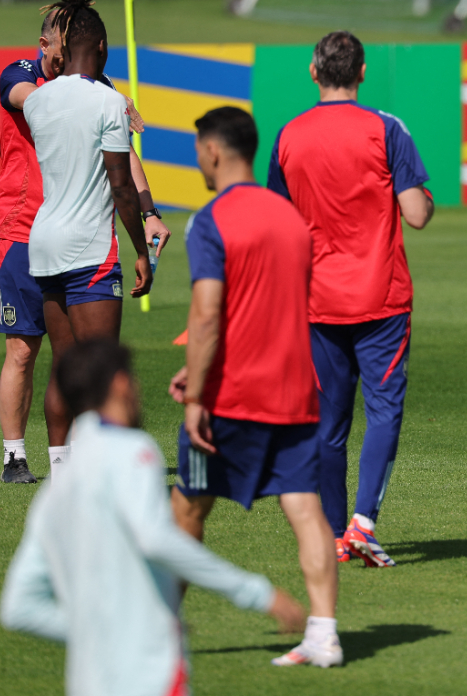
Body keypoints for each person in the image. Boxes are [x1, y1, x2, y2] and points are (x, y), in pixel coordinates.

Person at [0, 338, 305, 696]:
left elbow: (18, 607)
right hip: (152, 677)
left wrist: (100, 630)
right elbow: (156, 537)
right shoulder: (133, 450)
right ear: (120, 383)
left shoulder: (55, 488)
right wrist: (257, 594)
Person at [167, 106, 342, 668]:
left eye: (199, 150)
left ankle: (161, 628)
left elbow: (210, 314)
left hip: (231, 397)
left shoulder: (210, 220)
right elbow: (275, 304)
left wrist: (197, 393)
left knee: (187, 509)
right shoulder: (291, 218)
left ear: (213, 151)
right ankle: (324, 635)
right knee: (305, 508)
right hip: (294, 390)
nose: (199, 159)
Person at [267, 30, 433, 568]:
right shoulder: (387, 129)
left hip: (315, 302)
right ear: (362, 73)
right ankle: (362, 523)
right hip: (381, 299)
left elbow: (277, 224)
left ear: (313, 73)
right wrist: (422, 194)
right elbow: (417, 214)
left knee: (328, 424)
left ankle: (339, 532)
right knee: (384, 412)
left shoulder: (289, 135)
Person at [19, 0, 159, 481]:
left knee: (65, 365)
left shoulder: (37, 103)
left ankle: (62, 470)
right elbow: (121, 186)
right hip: (88, 247)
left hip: (44, 242)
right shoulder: (110, 103)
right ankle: (102, 473)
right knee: (101, 370)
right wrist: (141, 249)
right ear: (101, 47)